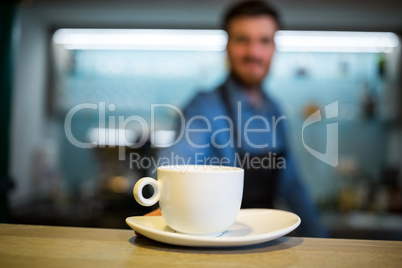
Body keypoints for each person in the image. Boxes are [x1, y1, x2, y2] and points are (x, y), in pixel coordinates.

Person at [149, 0, 327, 237]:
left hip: (265, 243)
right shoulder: (203, 108)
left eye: (264, 41)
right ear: (228, 46)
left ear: (274, 48)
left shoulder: (275, 110)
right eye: (242, 40)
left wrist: (322, 240)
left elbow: (293, 187)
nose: (253, 52)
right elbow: (171, 169)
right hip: (215, 246)